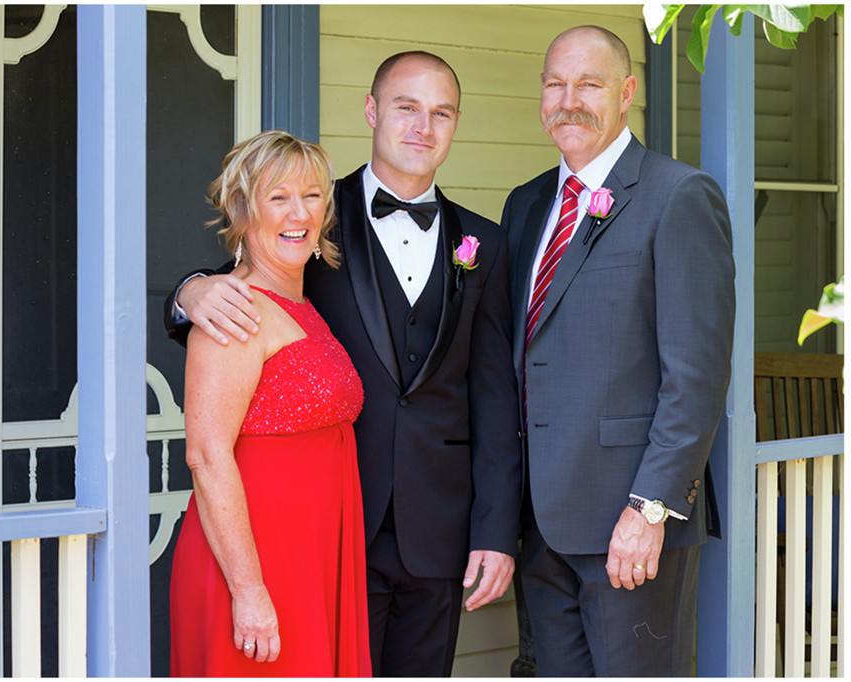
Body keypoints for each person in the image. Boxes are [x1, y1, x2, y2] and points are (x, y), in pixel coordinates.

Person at [168, 52, 521, 677]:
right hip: (334, 532)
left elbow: (494, 396)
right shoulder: (315, 215)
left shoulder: (484, 243)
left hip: (438, 530)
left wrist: (494, 530)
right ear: (371, 111)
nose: (423, 126)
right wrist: (188, 292)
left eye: (440, 113)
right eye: (406, 107)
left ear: (455, 124)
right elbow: (239, 288)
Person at [500, 26, 735, 676]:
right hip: (539, 526)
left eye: (589, 84)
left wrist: (649, 509)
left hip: (629, 525)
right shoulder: (526, 206)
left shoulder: (678, 196)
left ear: (627, 92)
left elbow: (695, 377)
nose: (568, 101)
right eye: (555, 84)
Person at [168, 130, 372, 677]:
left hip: (312, 554)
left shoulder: (302, 301)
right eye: (278, 197)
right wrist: (249, 589)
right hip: (254, 562)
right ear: (243, 210)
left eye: (311, 195)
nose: (298, 212)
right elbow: (206, 456)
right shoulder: (232, 309)